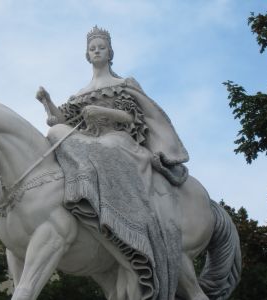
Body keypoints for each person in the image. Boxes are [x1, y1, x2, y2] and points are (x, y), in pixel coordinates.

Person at [35, 26, 187, 300]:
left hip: (118, 141)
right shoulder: (80, 93)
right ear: (86, 54)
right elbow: (63, 123)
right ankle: (82, 192)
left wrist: (102, 111)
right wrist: (47, 103)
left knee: (107, 145)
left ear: (110, 52)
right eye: (92, 48)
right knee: (54, 133)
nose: (96, 51)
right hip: (87, 142)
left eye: (101, 47)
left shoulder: (124, 84)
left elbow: (132, 119)